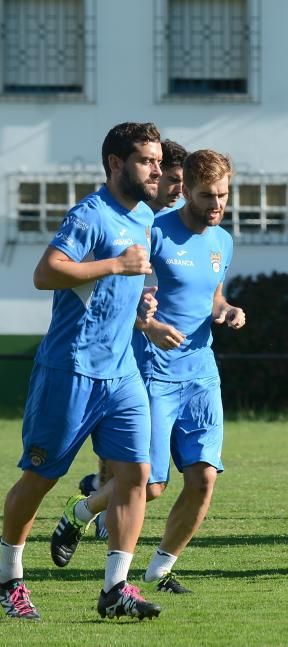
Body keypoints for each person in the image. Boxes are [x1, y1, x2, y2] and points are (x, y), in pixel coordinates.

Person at [50, 150, 243, 595]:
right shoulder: (154, 232)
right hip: (153, 373)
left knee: (203, 478)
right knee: (151, 485)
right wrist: (148, 325)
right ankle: (80, 514)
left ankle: (160, 569)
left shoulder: (222, 241)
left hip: (201, 375)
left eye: (224, 195)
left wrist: (227, 309)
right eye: (207, 195)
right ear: (185, 190)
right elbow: (126, 294)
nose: (216, 205)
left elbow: (213, 295)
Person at [1, 122, 164, 620]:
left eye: (158, 160)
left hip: (122, 373)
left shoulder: (143, 219)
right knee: (40, 477)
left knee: (137, 476)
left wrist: (140, 308)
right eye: (146, 160)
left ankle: (116, 590)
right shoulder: (89, 215)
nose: (156, 169)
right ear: (116, 164)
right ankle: (8, 578)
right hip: (71, 370)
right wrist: (116, 267)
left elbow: (115, 285)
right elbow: (46, 272)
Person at [82, 138, 191, 542]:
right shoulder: (128, 218)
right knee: (129, 460)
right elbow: (108, 292)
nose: (173, 186)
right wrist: (146, 325)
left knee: (144, 470)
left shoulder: (176, 222)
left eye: (180, 179)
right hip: (115, 347)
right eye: (168, 177)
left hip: (161, 352)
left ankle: (96, 501)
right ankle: (96, 503)